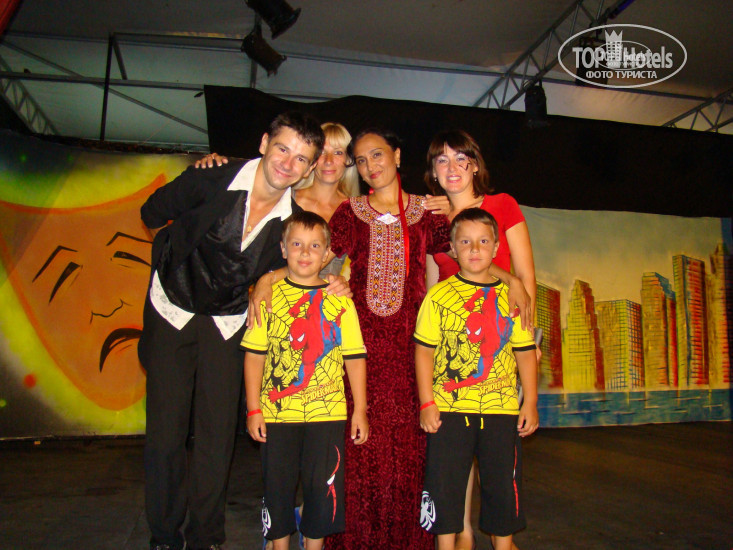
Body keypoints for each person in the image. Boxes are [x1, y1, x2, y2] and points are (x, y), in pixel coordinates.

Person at [137, 111, 326, 550]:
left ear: (310, 168)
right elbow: (151, 214)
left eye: (301, 158)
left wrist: (270, 277)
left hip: (226, 323)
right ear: (263, 144)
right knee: (165, 432)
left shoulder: (292, 221)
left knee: (217, 436)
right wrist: (170, 252)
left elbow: (298, 265)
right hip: (172, 309)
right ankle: (164, 535)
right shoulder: (210, 178)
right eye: (282, 149)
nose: (288, 164)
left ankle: (205, 536)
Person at [322, 128, 453, 549]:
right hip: (360, 349)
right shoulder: (349, 212)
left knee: (410, 447)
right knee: (359, 444)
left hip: (412, 349)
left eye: (377, 155)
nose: (369, 167)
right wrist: (331, 281)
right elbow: (319, 262)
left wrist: (456, 206)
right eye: (360, 161)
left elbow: (467, 256)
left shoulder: (427, 212)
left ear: (397, 155)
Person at [425, 129, 537, 550]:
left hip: (503, 342)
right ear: (433, 171)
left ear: (475, 164)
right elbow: (435, 284)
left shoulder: (502, 205)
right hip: (456, 349)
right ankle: (463, 530)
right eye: (442, 160)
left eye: (461, 158)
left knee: (495, 450)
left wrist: (530, 336)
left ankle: (497, 535)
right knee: (457, 445)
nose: (452, 168)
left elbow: (524, 278)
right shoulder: (434, 219)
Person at [242, 211, 369, 550]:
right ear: (283, 249)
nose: (305, 252)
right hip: (277, 415)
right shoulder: (267, 298)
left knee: (323, 490)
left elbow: (354, 357)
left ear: (327, 254)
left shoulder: (340, 302)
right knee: (277, 488)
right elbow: (254, 357)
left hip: (327, 415)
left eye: (314, 246)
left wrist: (360, 409)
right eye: (296, 244)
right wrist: (253, 409)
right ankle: (279, 545)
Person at [196, 122, 360, 280]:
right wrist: (221, 167)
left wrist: (343, 284)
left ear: (348, 159)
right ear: (312, 159)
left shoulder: (355, 212)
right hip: (270, 293)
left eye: (338, 152)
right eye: (322, 152)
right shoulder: (285, 197)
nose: (329, 160)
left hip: (322, 297)